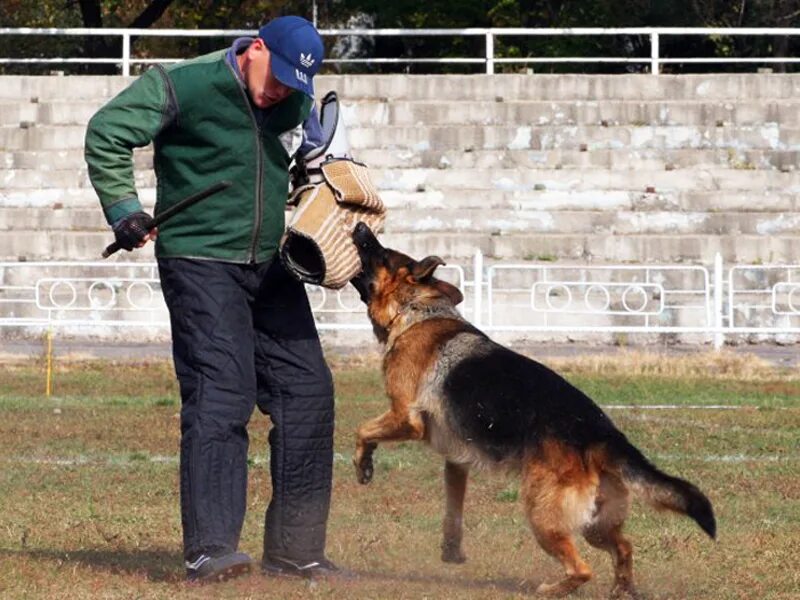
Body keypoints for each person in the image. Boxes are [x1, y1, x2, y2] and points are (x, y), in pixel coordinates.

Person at [84, 16, 339, 583]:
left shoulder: (294, 99)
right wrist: (125, 209)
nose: (281, 94)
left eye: (296, 87)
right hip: (200, 261)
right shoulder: (182, 84)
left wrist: (320, 172)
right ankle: (211, 550)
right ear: (254, 49)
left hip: (271, 264)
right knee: (223, 393)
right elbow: (107, 130)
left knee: (308, 392)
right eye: (277, 77)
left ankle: (296, 551)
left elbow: (301, 154)